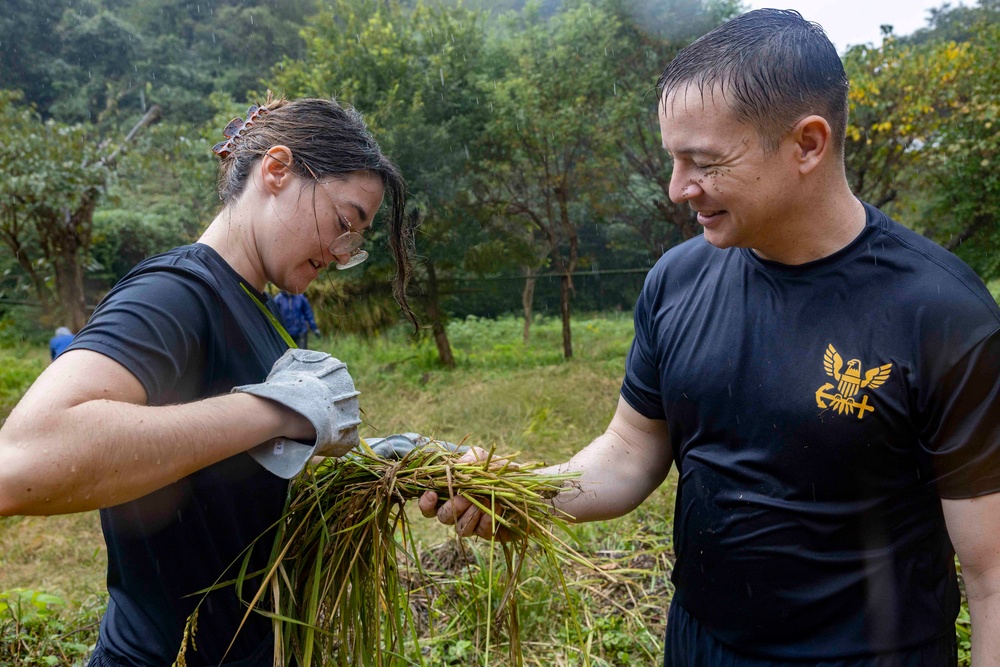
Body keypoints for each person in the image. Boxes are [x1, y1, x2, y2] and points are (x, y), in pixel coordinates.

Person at [421, 9, 1000, 666]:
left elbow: (992, 575)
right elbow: (630, 450)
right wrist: (518, 489)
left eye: (701, 161)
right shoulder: (678, 278)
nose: (676, 188)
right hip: (699, 644)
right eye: (673, 158)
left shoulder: (941, 313)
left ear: (807, 144)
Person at [0, 95, 416, 666]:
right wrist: (275, 410)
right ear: (276, 170)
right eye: (344, 223)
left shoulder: (259, 312)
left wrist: (388, 463)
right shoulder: (177, 290)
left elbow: (229, 478)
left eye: (354, 242)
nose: (341, 252)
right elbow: (23, 460)